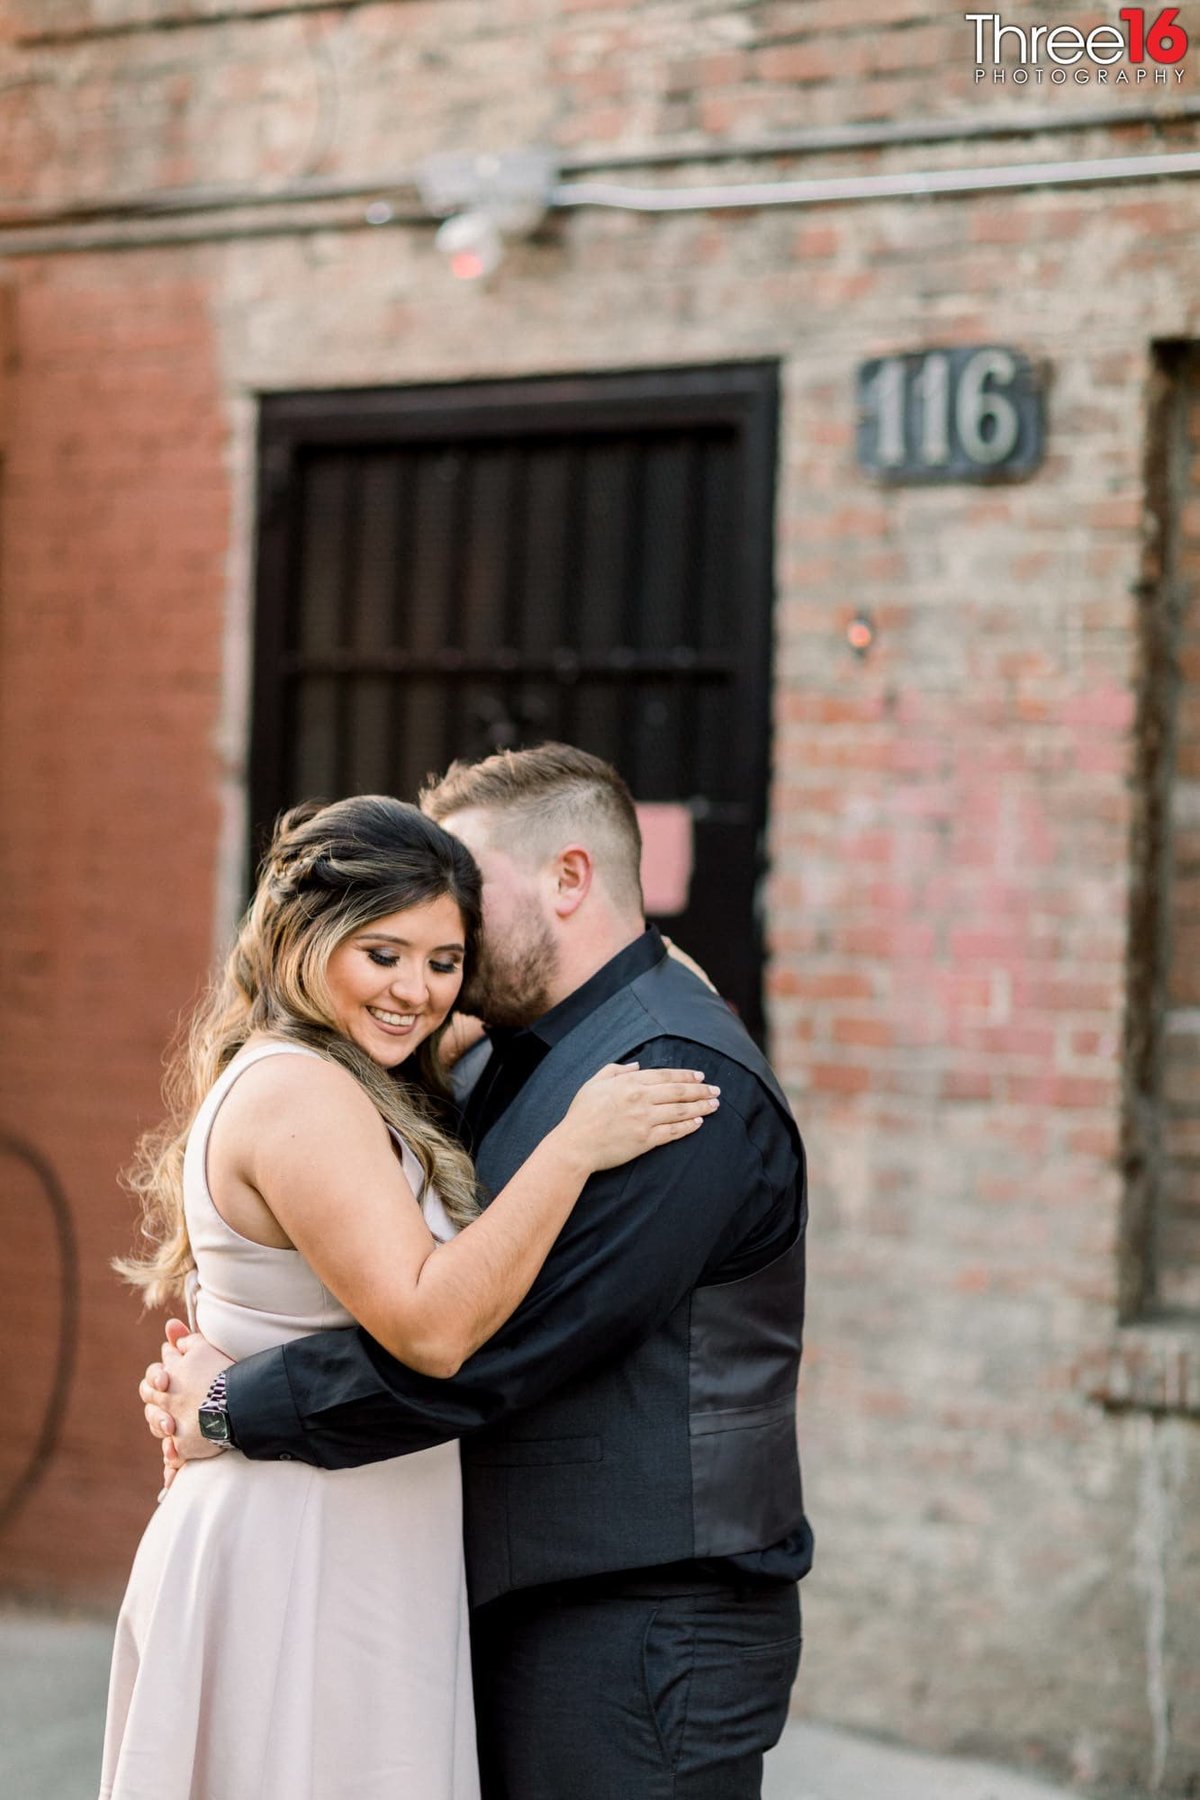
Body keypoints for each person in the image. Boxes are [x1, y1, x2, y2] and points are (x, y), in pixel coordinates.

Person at [144, 744, 813, 1800]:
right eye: (389, 941)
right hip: (497, 1599)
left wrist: (235, 1405)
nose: (438, 932)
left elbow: (486, 1347)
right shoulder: (498, 1052)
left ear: (570, 877)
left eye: (463, 897)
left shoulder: (672, 1085)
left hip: (640, 1632)